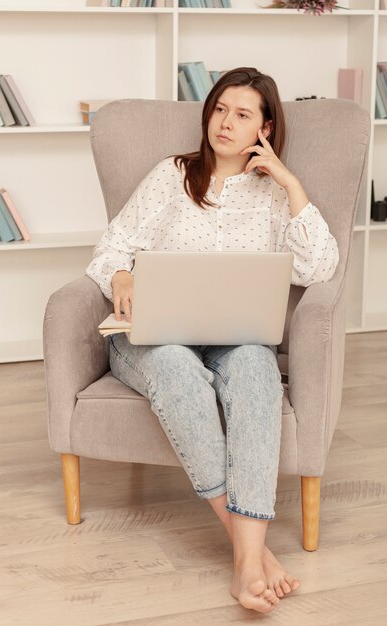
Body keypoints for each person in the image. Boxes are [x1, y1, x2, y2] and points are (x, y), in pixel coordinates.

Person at [86, 67, 339, 614]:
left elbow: (319, 269)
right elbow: (109, 250)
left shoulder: (275, 197)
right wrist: (122, 276)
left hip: (235, 339)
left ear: (266, 128)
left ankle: (245, 561)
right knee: (176, 368)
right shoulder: (170, 175)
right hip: (152, 338)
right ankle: (250, 555)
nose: (224, 123)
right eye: (220, 108)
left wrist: (291, 184)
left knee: (256, 370)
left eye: (243, 114)